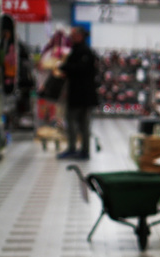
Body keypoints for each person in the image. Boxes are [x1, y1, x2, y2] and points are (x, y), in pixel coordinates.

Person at [56, 27, 98, 160]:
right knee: (81, 123)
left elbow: (81, 69)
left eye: (74, 35)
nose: (71, 37)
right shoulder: (79, 50)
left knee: (77, 122)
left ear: (80, 36)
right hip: (79, 93)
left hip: (82, 94)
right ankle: (79, 149)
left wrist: (63, 67)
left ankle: (78, 149)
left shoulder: (84, 51)